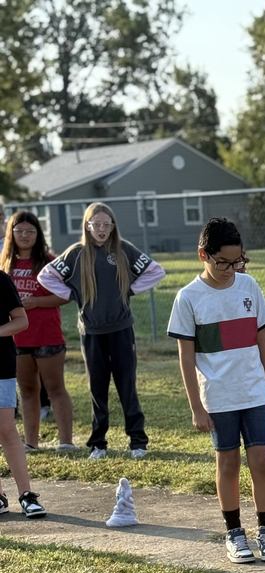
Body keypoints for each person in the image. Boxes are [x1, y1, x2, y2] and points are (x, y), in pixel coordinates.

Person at [167, 217, 265, 564]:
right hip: (218, 398)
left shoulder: (249, 286)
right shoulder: (188, 297)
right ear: (203, 254)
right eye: (224, 262)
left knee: (261, 460)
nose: (232, 269)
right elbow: (186, 359)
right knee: (228, 462)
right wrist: (196, 408)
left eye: (238, 261)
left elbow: (263, 340)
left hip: (255, 393)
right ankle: (234, 532)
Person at [38, 202, 165, 460]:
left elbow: (155, 271)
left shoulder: (122, 250)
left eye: (107, 224)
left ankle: (137, 440)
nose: (102, 229)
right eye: (97, 224)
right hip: (92, 332)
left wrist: (129, 290)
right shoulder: (76, 254)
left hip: (121, 330)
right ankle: (98, 443)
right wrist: (73, 293)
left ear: (112, 226)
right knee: (97, 387)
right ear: (88, 225)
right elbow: (45, 276)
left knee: (126, 384)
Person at [0, 210, 75, 452]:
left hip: (47, 335)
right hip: (17, 338)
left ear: (38, 234)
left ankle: (66, 442)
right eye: (19, 230)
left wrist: (36, 302)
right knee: (28, 390)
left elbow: (66, 295)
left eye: (30, 231)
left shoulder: (49, 261)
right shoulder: (5, 263)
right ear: (11, 232)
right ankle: (31, 443)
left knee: (55, 389)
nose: (24, 235)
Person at [0, 269, 47, 517]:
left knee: (6, 429)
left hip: (1, 366)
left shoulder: (1, 280)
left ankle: (26, 495)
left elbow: (21, 320)